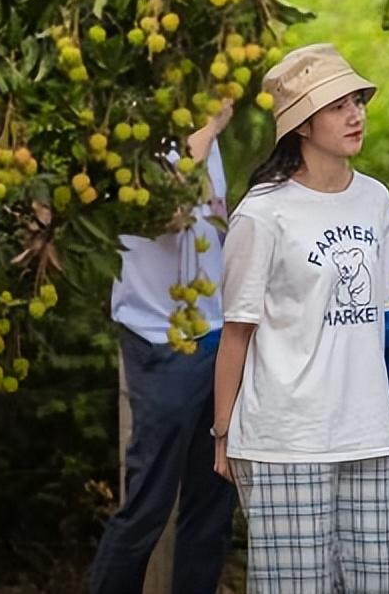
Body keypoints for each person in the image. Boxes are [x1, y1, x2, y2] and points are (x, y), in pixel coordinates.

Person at [212, 44, 389, 593]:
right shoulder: (263, 211)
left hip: (367, 431)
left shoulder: (376, 200)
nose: (356, 115)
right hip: (284, 438)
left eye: (358, 102)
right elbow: (237, 331)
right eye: (337, 106)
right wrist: (222, 433)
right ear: (301, 124)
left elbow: (368, 320)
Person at [89, 103, 235, 594]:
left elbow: (215, 226)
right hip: (161, 342)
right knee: (148, 506)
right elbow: (169, 213)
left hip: (217, 335)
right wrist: (210, 128)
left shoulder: (204, 145)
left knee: (212, 508)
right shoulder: (133, 137)